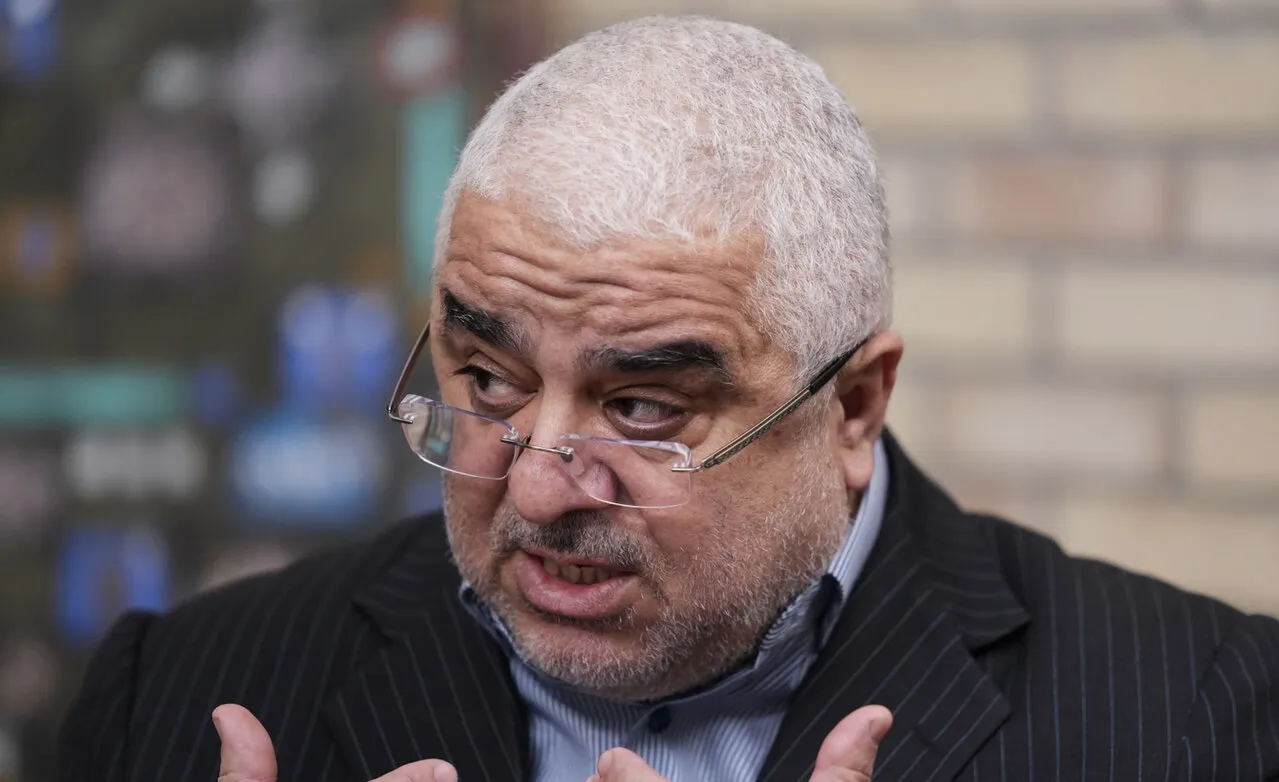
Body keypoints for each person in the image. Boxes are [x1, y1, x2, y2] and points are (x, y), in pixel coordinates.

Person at [60, 15, 1279, 782]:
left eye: (642, 406)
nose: (539, 485)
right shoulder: (177, 694)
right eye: (487, 379)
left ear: (853, 405)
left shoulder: (1189, 716)